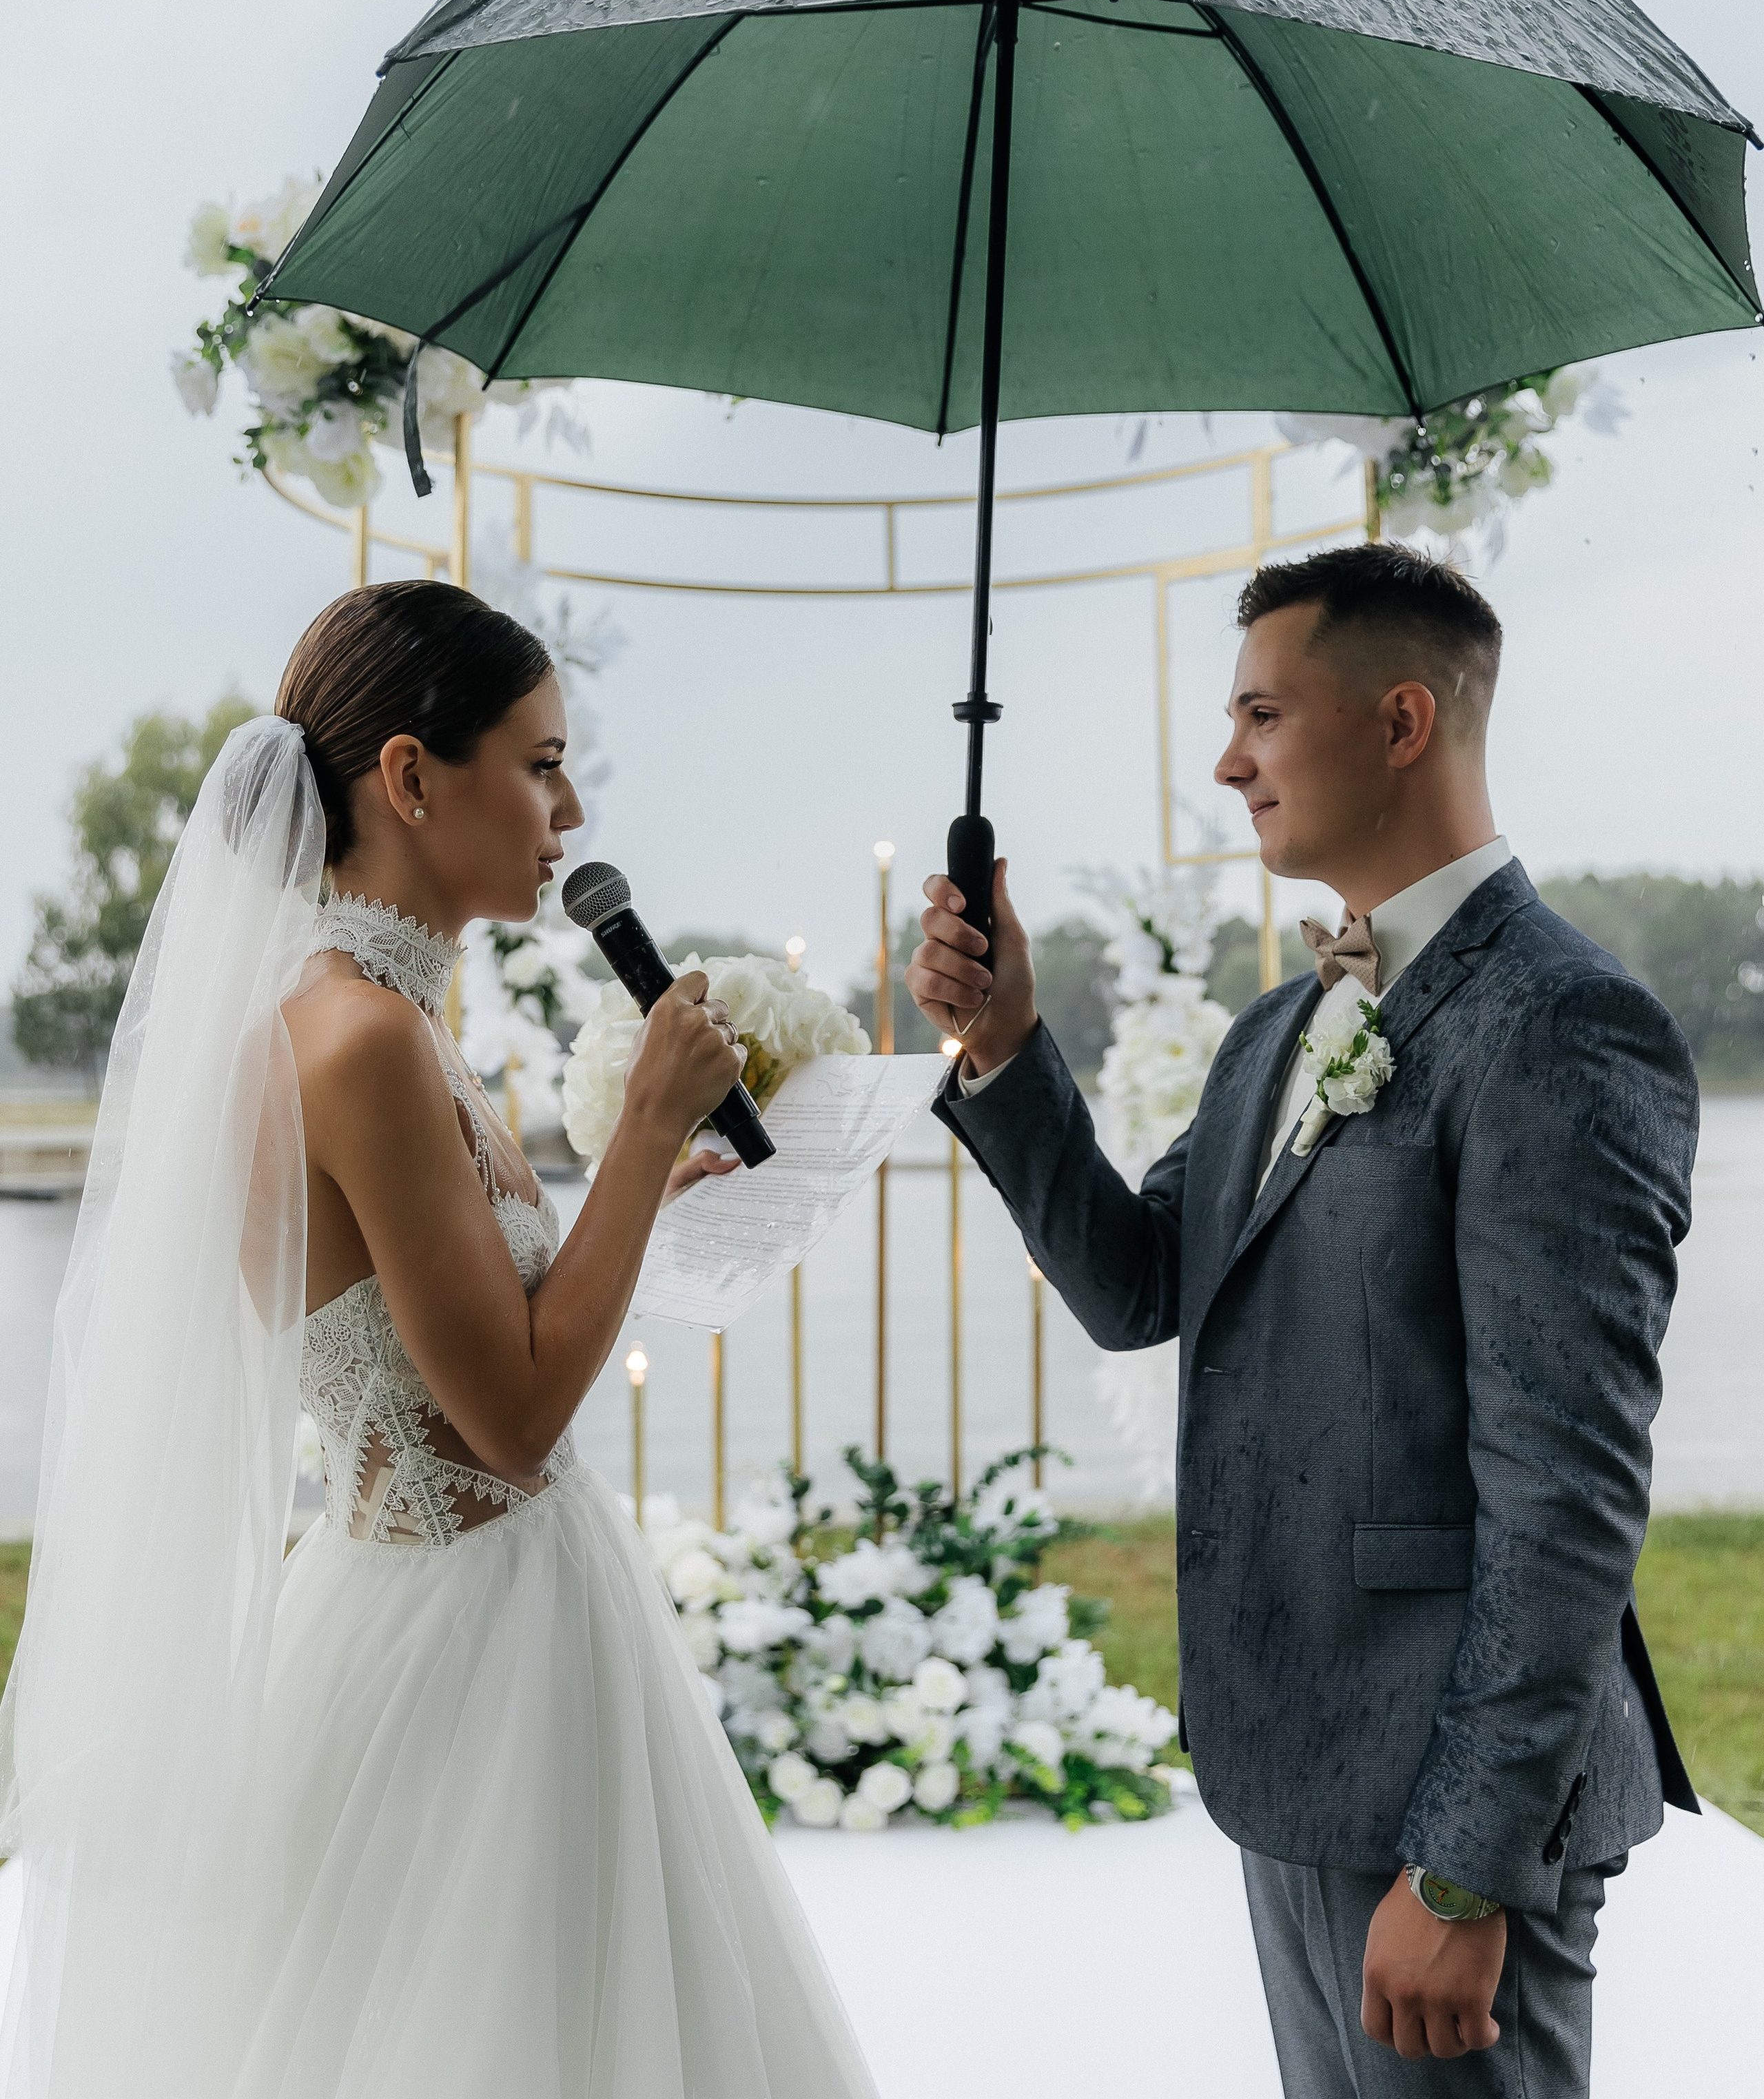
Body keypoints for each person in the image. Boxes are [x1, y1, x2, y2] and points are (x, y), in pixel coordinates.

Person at [0, 582, 876, 2099]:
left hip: (449, 1591)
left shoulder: (362, 1017)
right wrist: (643, 1126)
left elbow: (468, 1322)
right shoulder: (363, 1042)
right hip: (468, 1640)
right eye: (539, 760)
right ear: (409, 777)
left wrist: (641, 1192)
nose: (570, 802)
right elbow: (511, 1416)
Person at [907, 542, 1696, 2099]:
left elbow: (1567, 1492)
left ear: (1399, 722)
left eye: (1260, 714)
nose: (1226, 759)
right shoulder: (1278, 1024)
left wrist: (1463, 1867)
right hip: (1293, 1761)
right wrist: (1002, 1047)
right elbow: (1142, 1282)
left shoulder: (1562, 1027)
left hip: (1445, 1810)